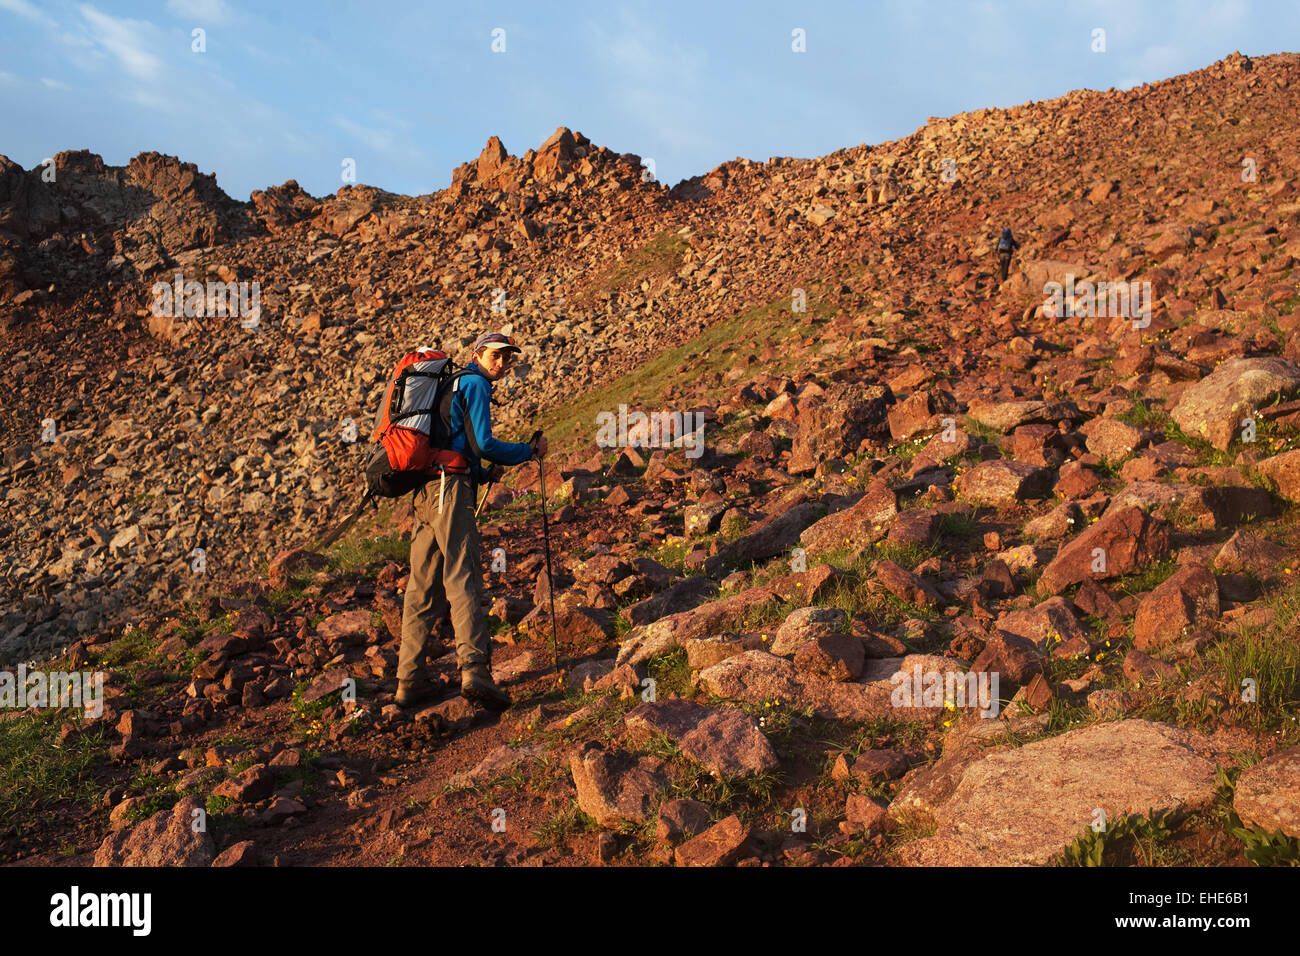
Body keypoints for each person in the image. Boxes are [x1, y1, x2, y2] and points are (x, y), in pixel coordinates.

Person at [396, 331, 547, 711]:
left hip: (427, 491)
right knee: (462, 576)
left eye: (507, 358)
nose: (501, 363)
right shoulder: (476, 383)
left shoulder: (450, 382)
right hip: (451, 491)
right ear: (478, 353)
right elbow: (484, 445)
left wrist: (480, 475)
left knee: (420, 590)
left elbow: (455, 443)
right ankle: (476, 671)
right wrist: (528, 450)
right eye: (496, 355)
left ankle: (408, 682)